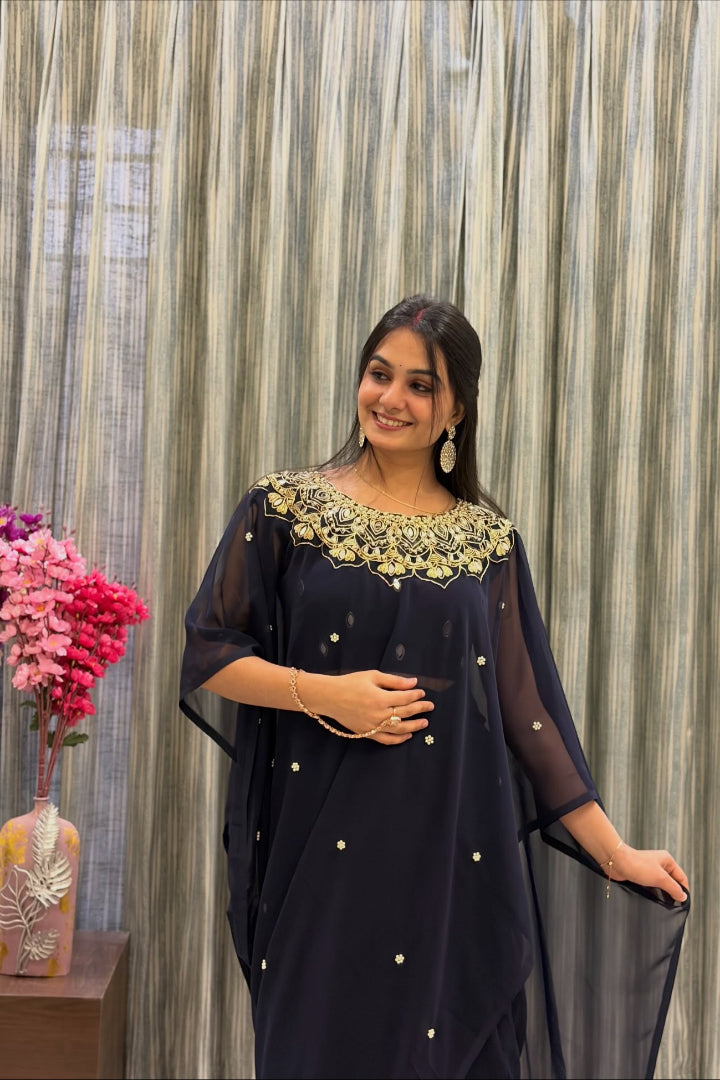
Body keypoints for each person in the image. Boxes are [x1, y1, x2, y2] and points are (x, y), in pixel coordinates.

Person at [179, 295, 689, 1080]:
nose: (391, 398)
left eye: (421, 385)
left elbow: (531, 716)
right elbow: (212, 653)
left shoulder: (487, 542)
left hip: (453, 863)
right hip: (320, 855)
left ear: (455, 409)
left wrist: (614, 851)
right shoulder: (285, 510)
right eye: (379, 374)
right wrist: (329, 694)